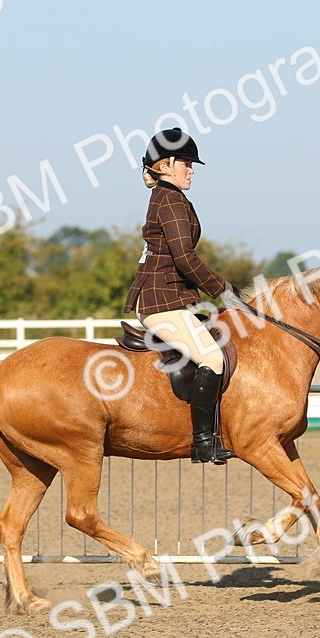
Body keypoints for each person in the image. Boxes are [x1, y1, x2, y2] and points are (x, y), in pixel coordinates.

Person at [123, 128, 237, 465]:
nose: (192, 169)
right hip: (161, 303)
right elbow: (185, 258)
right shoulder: (170, 200)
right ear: (165, 165)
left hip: (172, 298)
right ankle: (202, 442)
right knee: (212, 358)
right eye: (186, 163)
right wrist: (223, 291)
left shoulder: (169, 197)